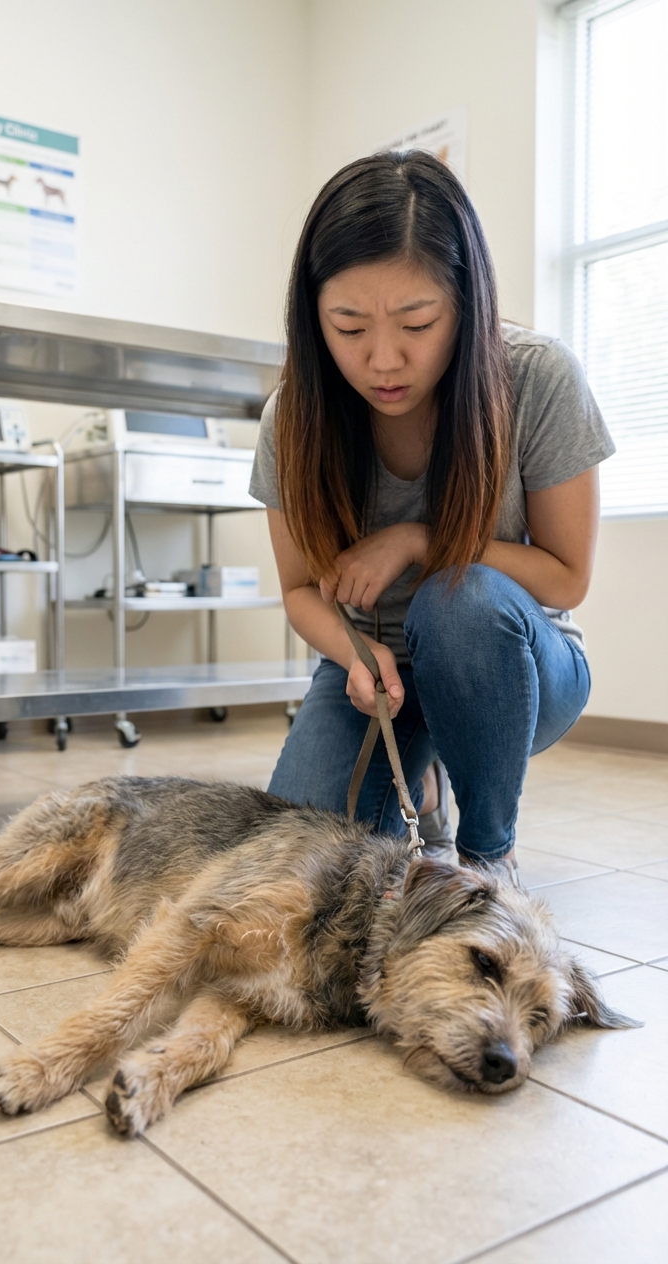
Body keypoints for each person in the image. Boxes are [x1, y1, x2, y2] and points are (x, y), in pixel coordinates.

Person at [249, 150, 614, 874]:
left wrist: (421, 540)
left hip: (514, 662)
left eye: (416, 323)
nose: (384, 360)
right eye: (349, 328)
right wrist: (355, 653)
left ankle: (487, 855)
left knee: (460, 600)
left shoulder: (538, 377)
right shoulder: (294, 416)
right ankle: (421, 777)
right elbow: (298, 589)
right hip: (376, 665)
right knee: (287, 869)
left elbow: (567, 580)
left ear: (466, 304)